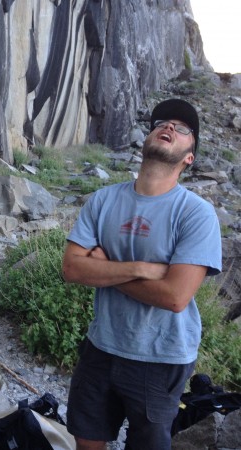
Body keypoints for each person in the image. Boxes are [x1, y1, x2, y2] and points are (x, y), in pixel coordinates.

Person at [61, 98, 222, 450]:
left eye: (182, 129)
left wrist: (104, 268)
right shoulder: (103, 201)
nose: (169, 128)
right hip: (101, 345)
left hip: (161, 357)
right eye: (162, 123)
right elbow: (72, 268)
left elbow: (175, 297)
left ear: (189, 157)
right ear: (146, 138)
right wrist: (140, 269)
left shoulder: (197, 214)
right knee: (87, 437)